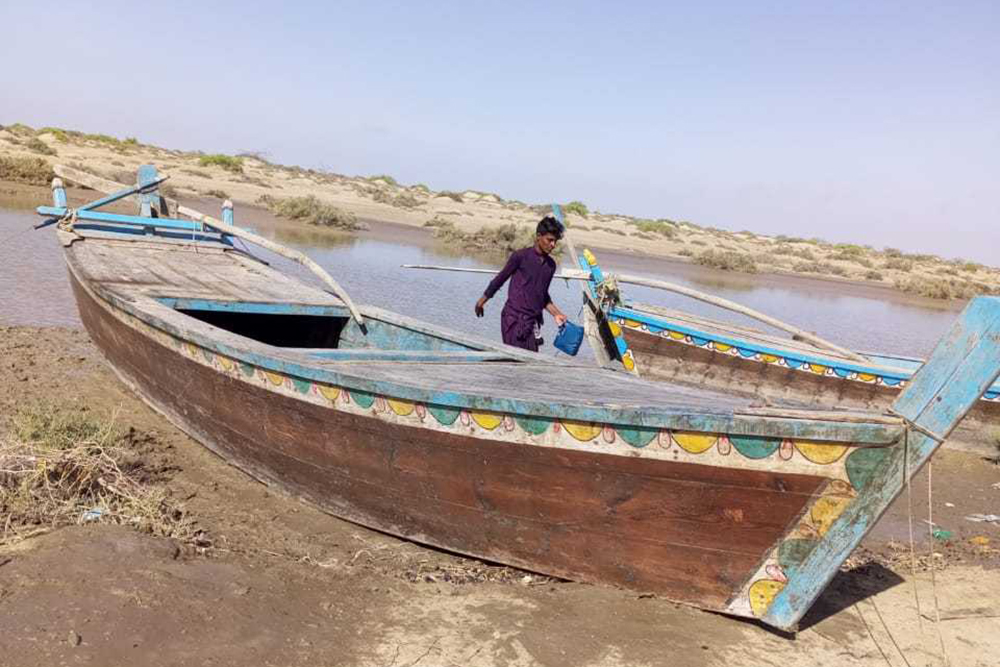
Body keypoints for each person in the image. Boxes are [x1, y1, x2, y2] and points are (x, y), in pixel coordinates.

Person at [475, 216, 568, 351]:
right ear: (538, 236)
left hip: (532, 323)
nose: (553, 245)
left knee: (529, 365)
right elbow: (500, 279)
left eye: (555, 241)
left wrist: (557, 314)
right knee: (516, 364)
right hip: (513, 319)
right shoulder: (520, 256)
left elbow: (543, 296)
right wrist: (482, 301)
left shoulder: (550, 266)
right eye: (550, 240)